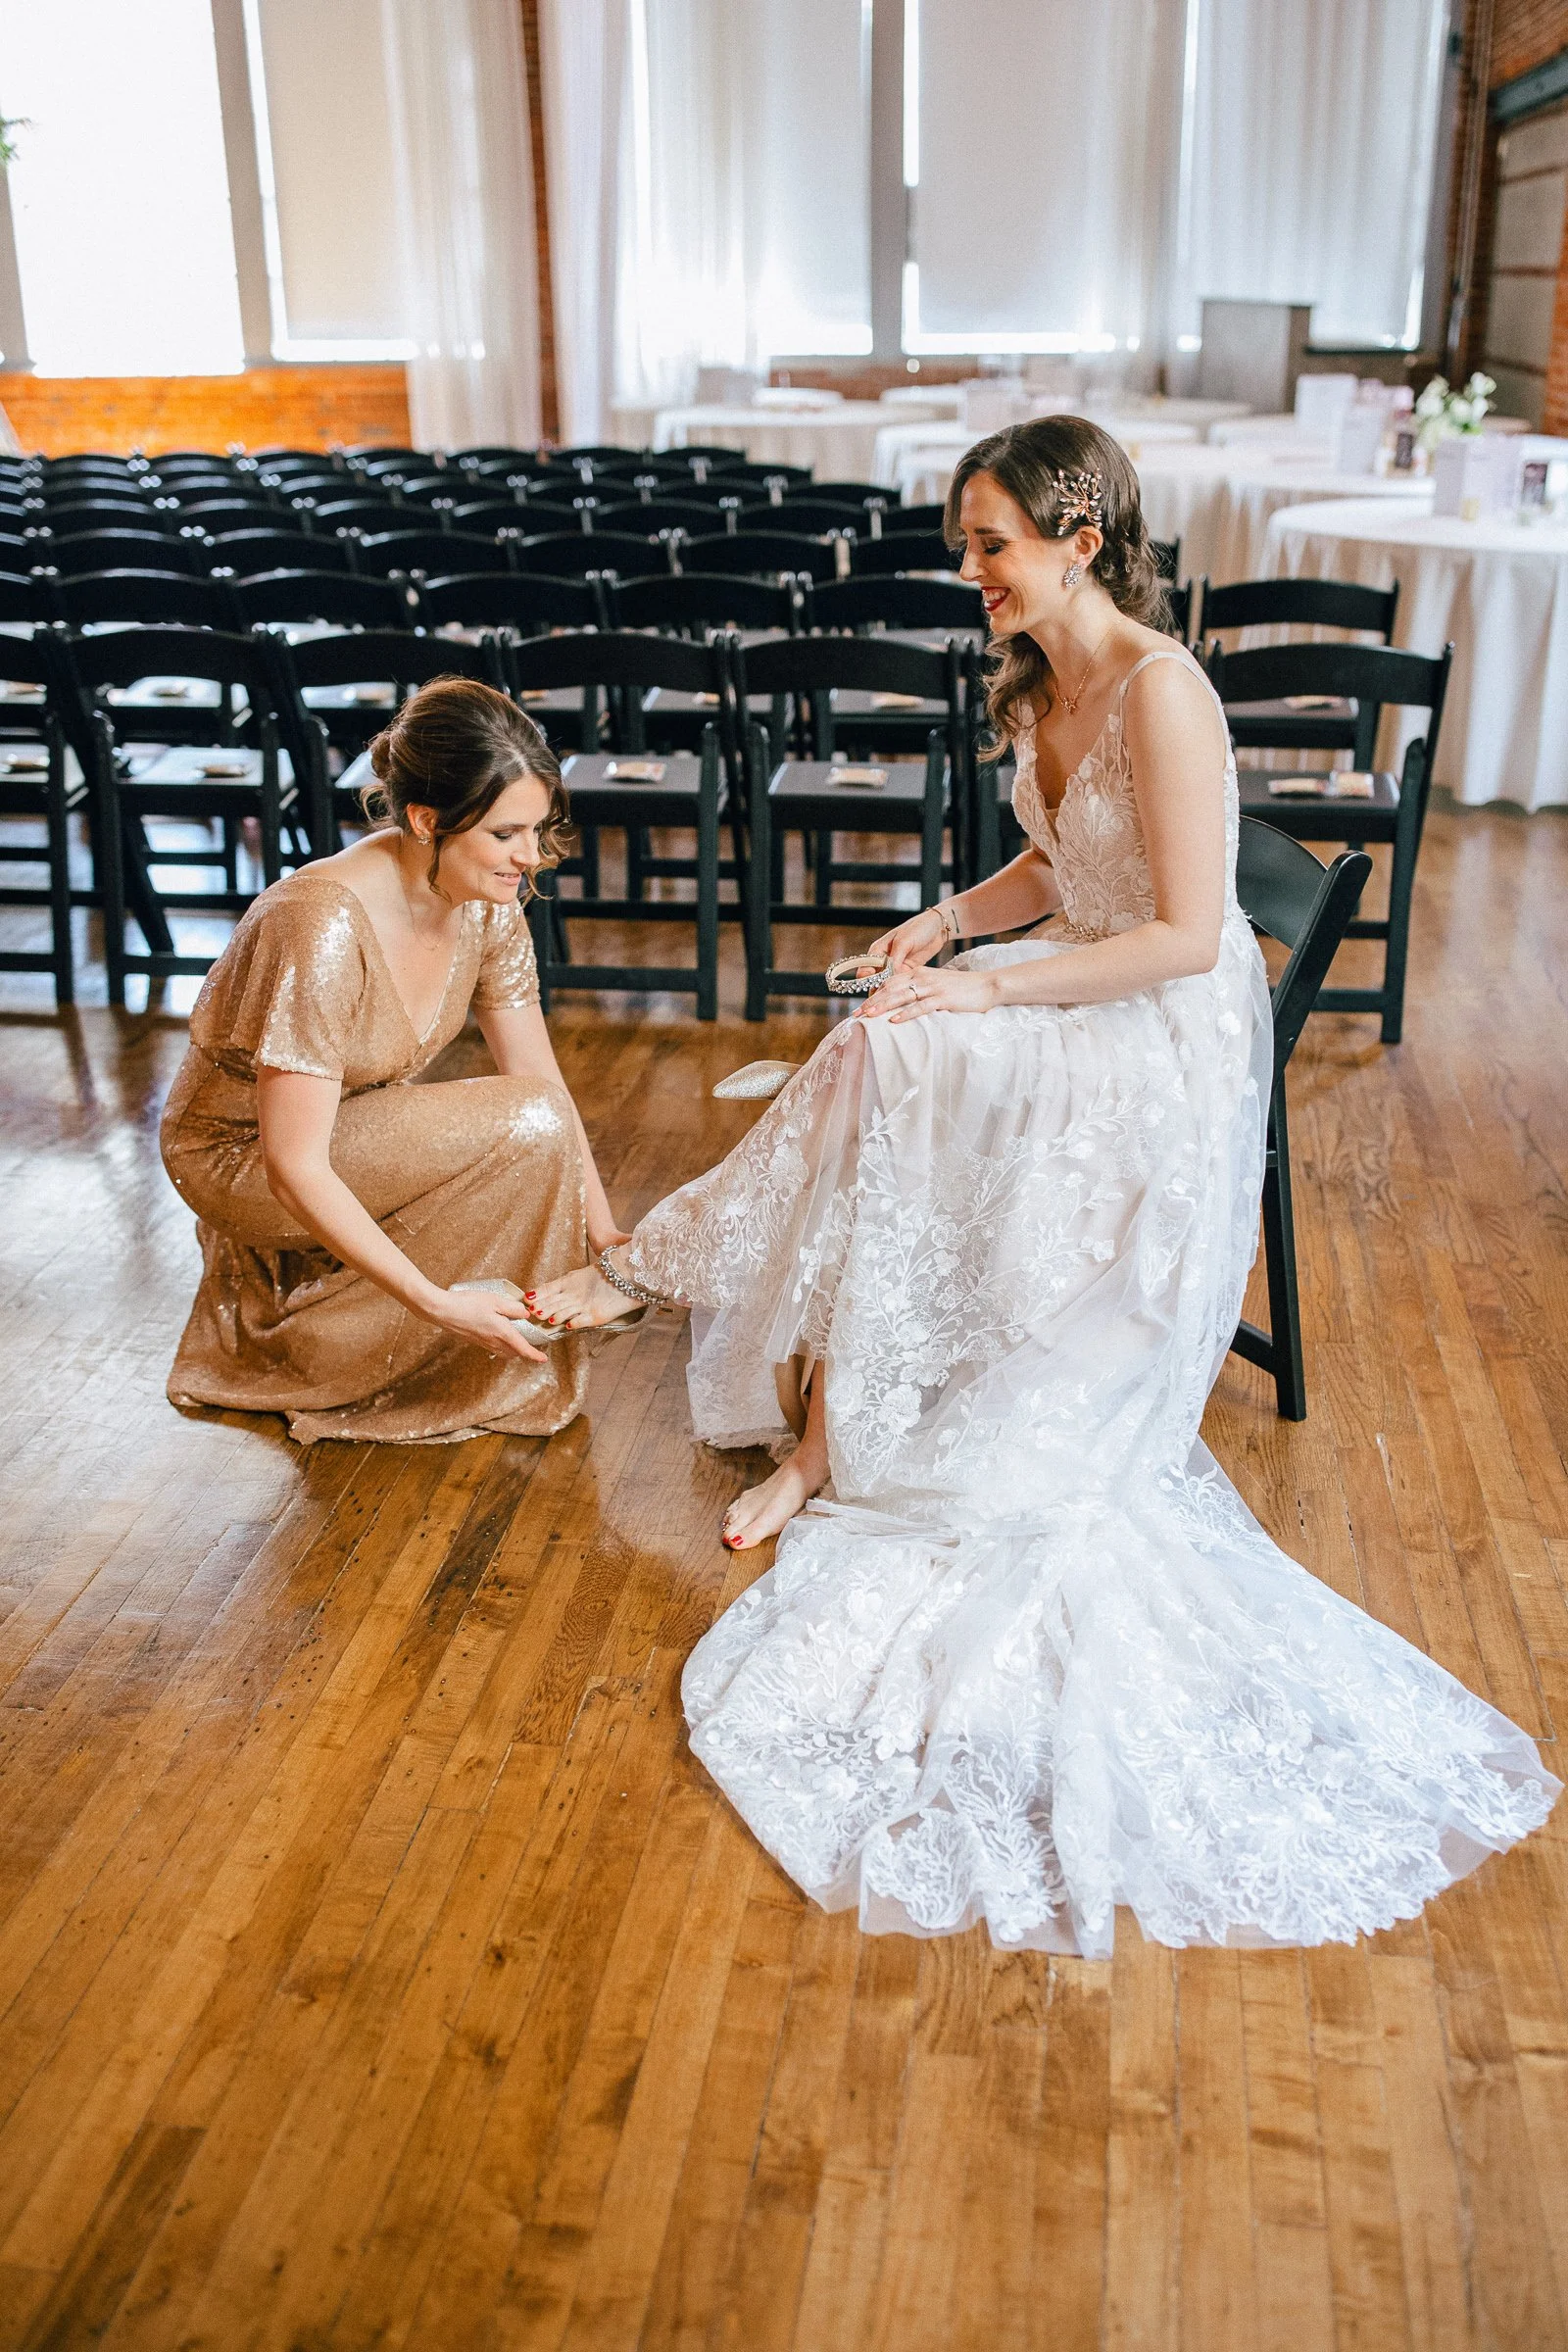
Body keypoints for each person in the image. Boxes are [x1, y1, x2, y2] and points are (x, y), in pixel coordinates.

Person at [524, 416, 1558, 1956]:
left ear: (1082, 541)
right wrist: (942, 929)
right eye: (966, 543)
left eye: (990, 542)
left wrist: (990, 992)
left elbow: (1185, 937)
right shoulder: (1043, 678)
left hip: (1165, 1032)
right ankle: (800, 1403)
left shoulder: (1165, 690)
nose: (971, 569)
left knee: (904, 1057)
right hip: (1083, 969)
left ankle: (678, 1288)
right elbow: (1063, 872)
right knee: (892, 1038)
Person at [162, 676, 630, 1446]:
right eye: (506, 834)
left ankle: (450, 1346)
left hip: (340, 1124)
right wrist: (437, 1304)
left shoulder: (486, 901)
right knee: (527, 1123)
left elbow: (538, 1078)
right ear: (425, 820)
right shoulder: (318, 924)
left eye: (538, 829)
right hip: (243, 1156)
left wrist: (603, 1234)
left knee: (535, 1122)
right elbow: (293, 1163)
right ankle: (358, 1344)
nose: (531, 856)